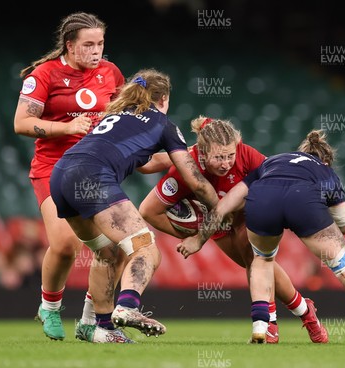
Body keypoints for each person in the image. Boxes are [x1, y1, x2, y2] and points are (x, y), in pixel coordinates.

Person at [14, 12, 171, 343]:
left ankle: (92, 322)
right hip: (53, 167)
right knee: (66, 244)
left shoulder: (110, 73)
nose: (96, 50)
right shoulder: (44, 75)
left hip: (98, 167)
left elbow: (126, 118)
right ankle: (49, 307)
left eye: (100, 43)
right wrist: (66, 128)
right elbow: (21, 123)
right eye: (88, 44)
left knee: (117, 248)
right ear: (70, 46)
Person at [178, 130, 345, 345]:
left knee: (261, 260)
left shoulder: (272, 162)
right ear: (325, 160)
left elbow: (224, 206)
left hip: (263, 199)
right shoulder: (325, 171)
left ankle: (261, 326)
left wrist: (198, 240)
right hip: (304, 202)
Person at [49, 68, 220, 341]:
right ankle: (128, 307)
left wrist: (184, 155)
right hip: (93, 177)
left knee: (107, 253)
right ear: (163, 98)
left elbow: (146, 164)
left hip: (61, 175)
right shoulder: (164, 124)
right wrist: (221, 209)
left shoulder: (116, 115)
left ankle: (98, 327)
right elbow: (196, 182)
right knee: (146, 248)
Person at [139, 116, 328, 343]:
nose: (226, 163)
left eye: (230, 156)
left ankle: (270, 325)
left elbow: (274, 182)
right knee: (256, 267)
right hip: (217, 223)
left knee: (254, 256)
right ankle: (306, 313)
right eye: (219, 157)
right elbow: (149, 211)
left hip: (250, 211)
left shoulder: (246, 154)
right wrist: (190, 233)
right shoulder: (186, 169)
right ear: (202, 152)